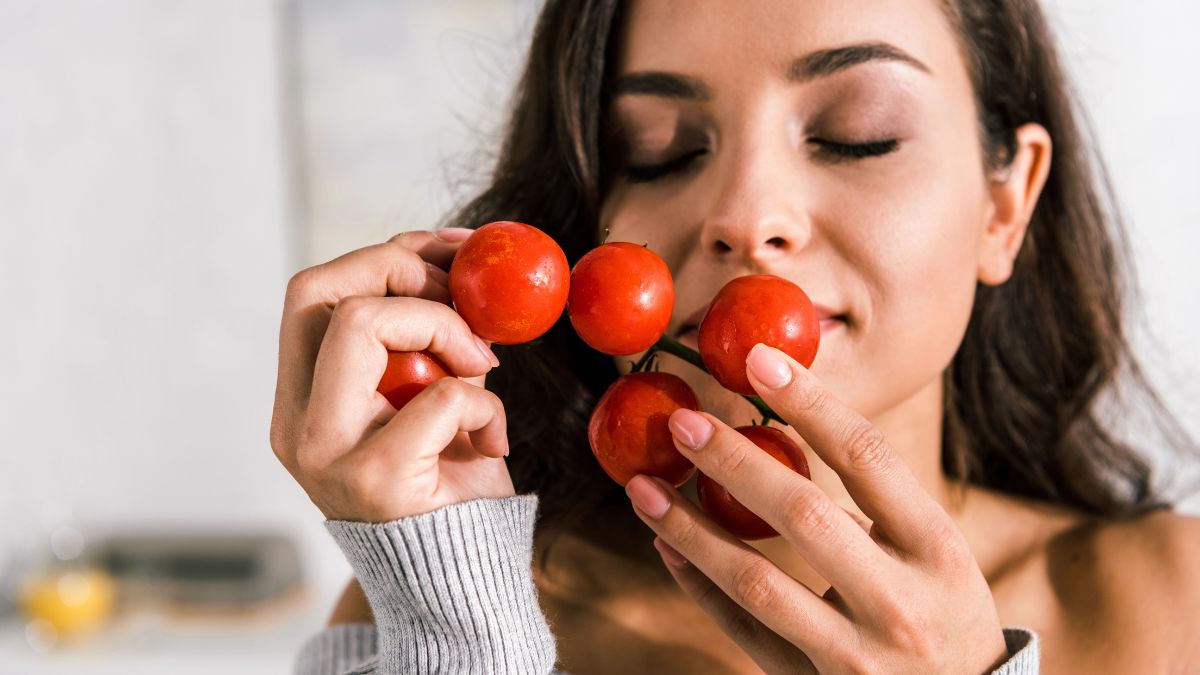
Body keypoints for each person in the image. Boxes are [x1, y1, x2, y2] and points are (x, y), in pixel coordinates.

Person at [271, 0, 1200, 673]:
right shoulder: (439, 603)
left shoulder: (1175, 604)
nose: (745, 216)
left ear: (1005, 205)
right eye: (662, 150)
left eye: (856, 135)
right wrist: (464, 637)